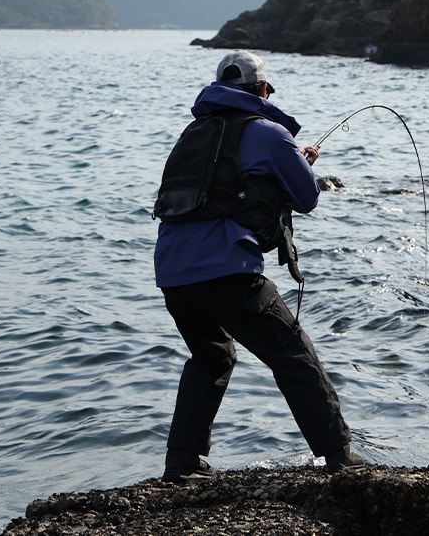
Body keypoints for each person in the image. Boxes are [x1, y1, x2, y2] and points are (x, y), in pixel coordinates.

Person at [153, 50, 364, 481]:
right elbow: (306, 198)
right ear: (262, 90)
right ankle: (339, 457)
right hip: (227, 268)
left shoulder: (195, 132)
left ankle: (182, 463)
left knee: (211, 357)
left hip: (172, 270)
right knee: (293, 353)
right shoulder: (269, 132)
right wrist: (300, 162)